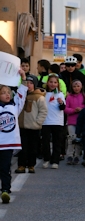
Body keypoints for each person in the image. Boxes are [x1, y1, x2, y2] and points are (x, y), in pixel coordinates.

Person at [0, 68, 29, 203]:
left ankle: (5, 190)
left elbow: (22, 94)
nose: (7, 95)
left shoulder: (14, 107)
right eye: (3, 93)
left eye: (8, 92)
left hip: (8, 143)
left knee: (5, 167)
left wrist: (23, 77)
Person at [17, 76, 46, 174]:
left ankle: (31, 165)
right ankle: (21, 165)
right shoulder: (21, 95)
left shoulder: (39, 97)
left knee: (33, 148)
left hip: (33, 126)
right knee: (22, 147)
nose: (28, 85)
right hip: (22, 126)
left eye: (31, 83)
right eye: (27, 83)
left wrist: (38, 122)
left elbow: (43, 111)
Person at [40, 75, 65, 169]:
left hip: (57, 121)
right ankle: (46, 159)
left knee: (57, 142)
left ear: (58, 84)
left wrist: (61, 103)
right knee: (45, 142)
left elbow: (63, 108)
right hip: (45, 121)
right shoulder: (43, 94)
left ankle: (55, 161)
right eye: (51, 82)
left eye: (55, 82)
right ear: (47, 83)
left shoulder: (60, 94)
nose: (53, 84)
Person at [64, 79, 85, 165]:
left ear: (81, 87)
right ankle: (69, 154)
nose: (76, 88)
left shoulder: (84, 96)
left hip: (81, 122)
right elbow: (65, 109)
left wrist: (81, 110)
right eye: (74, 86)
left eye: (78, 86)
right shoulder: (69, 97)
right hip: (71, 121)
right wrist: (74, 110)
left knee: (78, 139)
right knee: (71, 138)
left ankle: (77, 155)